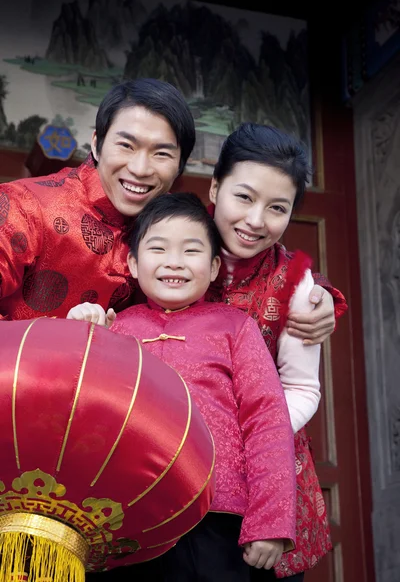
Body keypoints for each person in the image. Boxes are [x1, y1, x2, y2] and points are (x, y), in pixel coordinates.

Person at [0, 78, 339, 348]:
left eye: (161, 153)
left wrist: (320, 292)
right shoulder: (25, 206)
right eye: (126, 145)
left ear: (180, 165)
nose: (140, 168)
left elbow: (235, 243)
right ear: (96, 143)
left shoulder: (173, 225)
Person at [68, 192, 297, 582]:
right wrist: (83, 334)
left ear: (212, 268)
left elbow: (267, 422)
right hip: (126, 516)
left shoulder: (234, 328)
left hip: (216, 515)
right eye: (158, 248)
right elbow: (79, 414)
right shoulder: (117, 328)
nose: (174, 262)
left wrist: (269, 522)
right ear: (134, 264)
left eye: (191, 251)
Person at [205, 123, 347, 580]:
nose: (255, 219)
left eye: (277, 208)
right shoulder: (171, 253)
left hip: (267, 482)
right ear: (214, 187)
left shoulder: (298, 287)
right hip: (177, 466)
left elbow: (303, 387)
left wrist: (245, 440)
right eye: (243, 197)